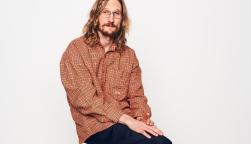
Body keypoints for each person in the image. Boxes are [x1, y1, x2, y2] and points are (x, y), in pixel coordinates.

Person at [60, 0, 173, 144]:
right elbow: (85, 100)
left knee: (162, 141)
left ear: (122, 19)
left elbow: (137, 96)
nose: (111, 19)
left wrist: (141, 119)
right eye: (106, 12)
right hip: (96, 129)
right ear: (96, 16)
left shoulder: (129, 55)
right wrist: (128, 121)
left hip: (126, 126)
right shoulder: (77, 49)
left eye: (116, 14)